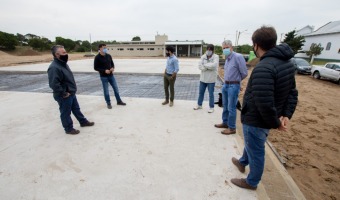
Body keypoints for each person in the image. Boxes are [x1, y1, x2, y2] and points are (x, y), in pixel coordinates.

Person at [230, 26, 298, 190]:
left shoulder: (264, 67)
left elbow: (264, 102)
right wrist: (286, 115)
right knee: (252, 143)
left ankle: (251, 182)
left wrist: (276, 122)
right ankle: (242, 161)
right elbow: (292, 92)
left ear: (256, 45)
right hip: (267, 119)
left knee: (256, 151)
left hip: (257, 119)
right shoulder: (288, 64)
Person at [48, 45, 94, 135]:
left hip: (71, 92)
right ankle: (68, 129)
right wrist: (64, 93)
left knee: (76, 109)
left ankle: (83, 122)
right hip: (65, 95)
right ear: (57, 54)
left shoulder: (63, 64)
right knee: (65, 112)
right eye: (64, 53)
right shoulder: (54, 67)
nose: (66, 54)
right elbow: (54, 84)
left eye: (66, 52)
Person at [214, 40, 248, 135]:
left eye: (226, 48)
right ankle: (225, 122)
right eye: (223, 48)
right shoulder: (227, 58)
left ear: (231, 48)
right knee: (225, 105)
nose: (225, 49)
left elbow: (244, 73)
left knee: (231, 107)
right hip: (226, 84)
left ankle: (232, 127)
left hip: (233, 85)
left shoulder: (238, 57)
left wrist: (237, 82)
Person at [94, 44, 126, 109]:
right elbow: (95, 67)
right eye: (104, 48)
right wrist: (104, 71)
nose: (105, 49)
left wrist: (112, 68)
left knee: (116, 89)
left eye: (106, 48)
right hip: (103, 77)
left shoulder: (109, 56)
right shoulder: (97, 57)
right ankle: (108, 103)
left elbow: (112, 64)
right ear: (100, 48)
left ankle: (119, 101)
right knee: (106, 91)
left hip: (111, 76)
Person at [194, 44, 219, 113]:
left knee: (211, 94)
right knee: (201, 93)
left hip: (211, 79)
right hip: (203, 79)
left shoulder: (216, 57)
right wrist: (207, 67)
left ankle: (211, 107)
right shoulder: (203, 56)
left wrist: (204, 65)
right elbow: (199, 66)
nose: (208, 51)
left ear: (213, 50)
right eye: (207, 49)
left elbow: (214, 66)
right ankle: (199, 105)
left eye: (210, 50)